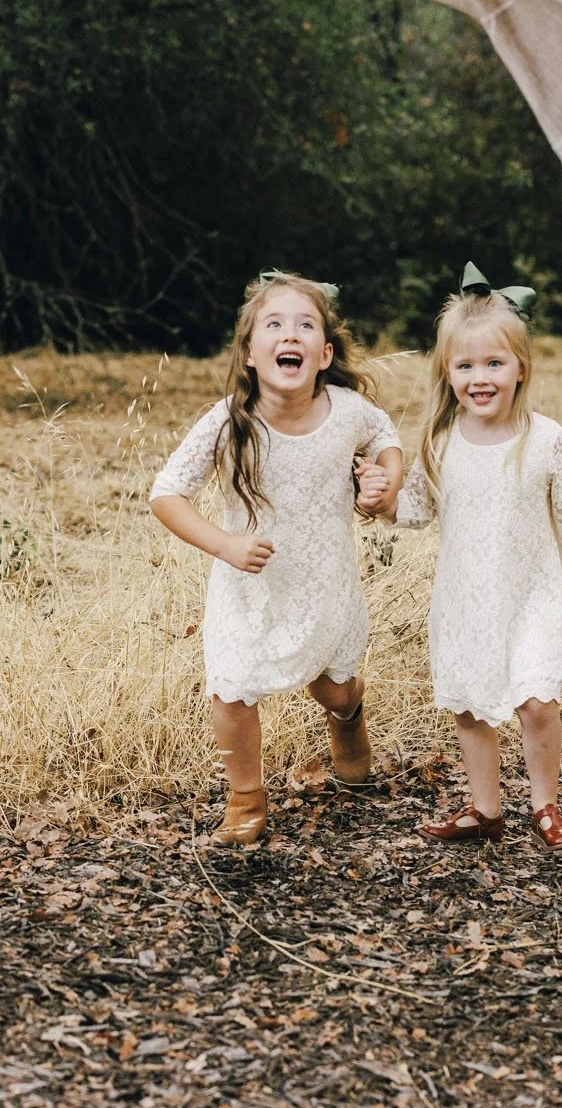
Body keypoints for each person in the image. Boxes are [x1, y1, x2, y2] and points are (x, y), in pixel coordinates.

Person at [149, 273, 405, 845]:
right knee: (232, 688)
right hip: (249, 586)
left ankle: (348, 715)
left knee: (331, 688)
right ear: (248, 354)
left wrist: (384, 481)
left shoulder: (347, 410)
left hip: (324, 582)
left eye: (306, 325)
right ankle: (246, 799)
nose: (291, 334)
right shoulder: (227, 422)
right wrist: (224, 544)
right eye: (275, 325)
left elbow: (384, 434)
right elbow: (165, 494)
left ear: (325, 354)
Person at [383, 266, 562, 851]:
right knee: (471, 706)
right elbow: (412, 511)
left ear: (520, 367)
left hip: (532, 593)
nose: (479, 378)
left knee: (537, 702)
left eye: (494, 364)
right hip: (465, 598)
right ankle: (485, 809)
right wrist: (376, 496)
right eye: (465, 366)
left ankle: (546, 806)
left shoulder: (544, 438)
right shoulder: (441, 441)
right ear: (448, 372)